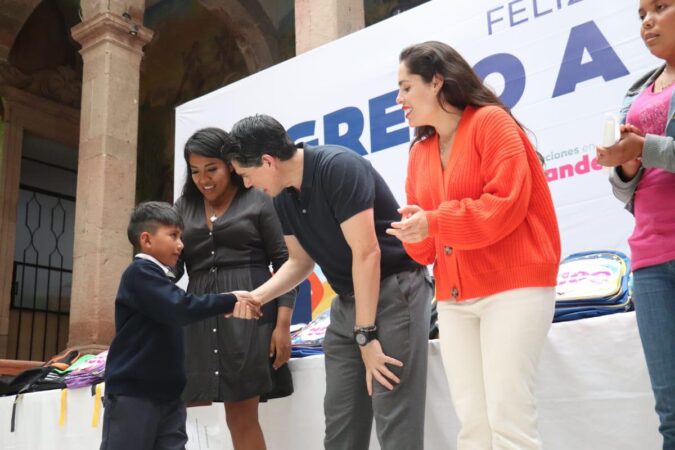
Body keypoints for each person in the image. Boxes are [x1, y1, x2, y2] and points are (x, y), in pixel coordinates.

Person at [388, 41, 561, 450]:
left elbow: (504, 206)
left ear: (436, 82)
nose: (399, 100)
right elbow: (427, 251)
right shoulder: (420, 152)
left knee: (509, 420)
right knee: (473, 426)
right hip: (453, 298)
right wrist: (417, 231)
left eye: (406, 87)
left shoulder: (492, 122)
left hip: (514, 288)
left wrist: (432, 222)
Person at [225, 114, 433, 450]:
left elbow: (367, 253)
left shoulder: (338, 167)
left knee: (395, 420)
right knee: (340, 425)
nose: (248, 185)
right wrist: (256, 297)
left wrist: (366, 335)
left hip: (396, 290)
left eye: (247, 175)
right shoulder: (282, 197)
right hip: (349, 301)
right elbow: (299, 261)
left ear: (267, 161)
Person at [101, 201, 259, 450]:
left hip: (169, 395)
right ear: (146, 240)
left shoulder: (158, 278)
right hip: (135, 395)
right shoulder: (139, 274)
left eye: (181, 236)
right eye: (173, 235)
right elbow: (180, 307)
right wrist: (229, 300)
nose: (181, 244)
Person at [174, 128, 296, 450]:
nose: (204, 179)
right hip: (199, 318)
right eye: (195, 171)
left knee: (240, 418)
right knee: (184, 414)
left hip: (249, 318)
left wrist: (282, 326)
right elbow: (172, 267)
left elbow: (286, 262)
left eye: (211, 169)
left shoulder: (258, 198)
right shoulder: (183, 206)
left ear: (229, 164)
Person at [596, 1, 675, 447]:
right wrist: (624, 165)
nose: (647, 20)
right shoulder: (637, 89)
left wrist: (642, 148)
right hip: (649, 260)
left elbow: (653, 151)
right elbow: (629, 189)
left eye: (660, 7)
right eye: (641, 12)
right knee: (670, 415)